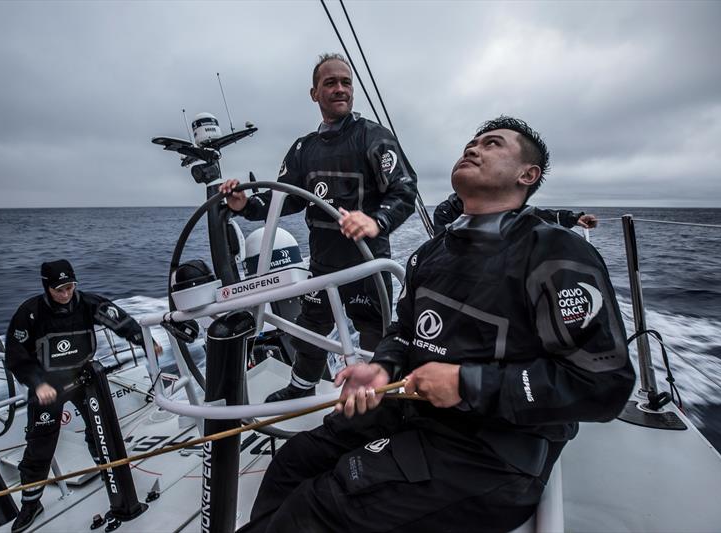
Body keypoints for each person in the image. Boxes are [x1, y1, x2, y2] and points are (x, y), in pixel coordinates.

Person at [238, 116, 635, 533]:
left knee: (316, 508)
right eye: (473, 141)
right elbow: (403, 332)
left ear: (527, 174)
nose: (474, 147)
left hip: (490, 451)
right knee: (293, 461)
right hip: (411, 413)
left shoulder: (553, 252)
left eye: (493, 143)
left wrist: (467, 383)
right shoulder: (430, 254)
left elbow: (602, 386)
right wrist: (383, 367)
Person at [219, 53, 418, 402]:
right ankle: (302, 385)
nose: (340, 89)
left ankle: (383, 401)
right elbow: (284, 199)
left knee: (376, 337)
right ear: (314, 93)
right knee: (310, 330)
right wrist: (244, 205)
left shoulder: (373, 137)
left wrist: (376, 221)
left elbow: (404, 189)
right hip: (324, 265)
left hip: (368, 266)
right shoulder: (303, 149)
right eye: (330, 83)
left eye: (345, 82)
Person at [4, 259, 161, 532]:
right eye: (59, 289)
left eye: (70, 287)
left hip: (85, 378)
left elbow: (120, 322)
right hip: (48, 386)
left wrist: (145, 343)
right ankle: (31, 503)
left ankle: (109, 474)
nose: (66, 294)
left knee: (101, 431)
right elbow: (15, 356)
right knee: (39, 446)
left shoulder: (88, 303)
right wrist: (37, 383)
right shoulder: (29, 313)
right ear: (47, 287)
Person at [433, 191, 598, 233]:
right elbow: (442, 244)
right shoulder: (445, 211)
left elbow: (539, 215)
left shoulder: (499, 204)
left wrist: (574, 218)